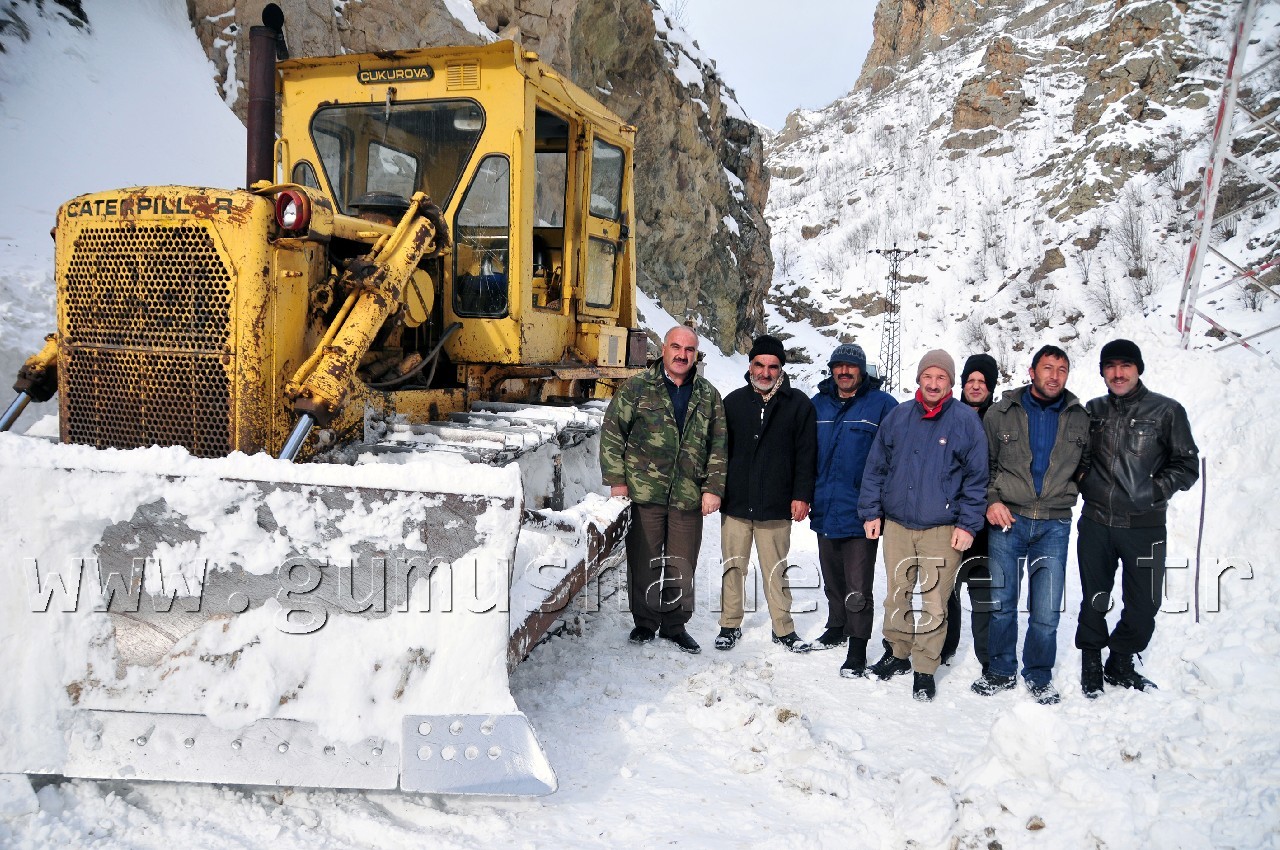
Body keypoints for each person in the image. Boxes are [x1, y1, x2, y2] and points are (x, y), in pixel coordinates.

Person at [859, 350, 988, 701]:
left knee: (934, 602)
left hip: (942, 529)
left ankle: (926, 666)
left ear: (950, 382)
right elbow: (876, 468)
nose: (933, 383)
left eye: (941, 378)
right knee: (897, 594)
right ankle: (897, 652)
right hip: (898, 525)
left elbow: (977, 480)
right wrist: (871, 512)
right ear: (919, 379)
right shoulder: (899, 416)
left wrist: (968, 524)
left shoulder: (965, 421)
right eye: (928, 376)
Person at [1075, 339, 1199, 696]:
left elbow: (1187, 465)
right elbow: (1078, 457)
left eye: (1125, 365)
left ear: (1138, 368)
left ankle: (1122, 657)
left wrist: (1153, 490)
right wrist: (1086, 481)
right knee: (1095, 596)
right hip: (1097, 522)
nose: (1118, 373)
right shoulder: (1093, 410)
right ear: (1102, 371)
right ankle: (1091, 660)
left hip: (1144, 526)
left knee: (1145, 604)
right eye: (1110, 366)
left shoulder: (1166, 411)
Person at [970, 345, 1090, 705]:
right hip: (1010, 520)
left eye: (1062, 369)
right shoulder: (1000, 413)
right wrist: (992, 501)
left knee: (1046, 609)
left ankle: (1039, 674)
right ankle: (1001, 670)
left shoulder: (1079, 417)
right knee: (1002, 602)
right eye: (1047, 367)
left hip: (1054, 526)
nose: (1054, 375)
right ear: (1031, 370)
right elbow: (985, 467)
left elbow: (1086, 466)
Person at [600, 325, 728, 654]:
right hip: (645, 492)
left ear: (696, 355)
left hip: (687, 495)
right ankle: (644, 622)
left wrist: (713, 487)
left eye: (689, 349)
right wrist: (617, 481)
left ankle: (674, 625)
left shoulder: (708, 395)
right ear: (663, 349)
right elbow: (613, 431)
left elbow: (719, 444)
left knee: (681, 563)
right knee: (643, 560)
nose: (682, 354)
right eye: (676, 347)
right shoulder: (638, 387)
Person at [715, 335, 817, 653]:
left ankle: (783, 628)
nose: (765, 372)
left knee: (776, 568)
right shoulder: (732, 403)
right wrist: (715, 490)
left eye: (773, 366)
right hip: (736, 503)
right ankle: (729, 625)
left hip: (775, 504)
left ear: (781, 369)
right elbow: (718, 452)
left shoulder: (799, 405)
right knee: (734, 567)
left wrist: (801, 494)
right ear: (750, 366)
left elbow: (806, 454)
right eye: (760, 364)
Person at [808, 343, 898, 677]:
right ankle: (837, 625)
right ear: (832, 369)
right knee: (832, 578)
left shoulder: (883, 406)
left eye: (851, 366)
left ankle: (857, 647)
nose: (844, 372)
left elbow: (894, 459)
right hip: (825, 508)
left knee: (858, 585)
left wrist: (880, 506)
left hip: (862, 513)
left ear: (862, 370)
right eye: (838, 366)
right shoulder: (817, 405)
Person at [941, 353, 999, 674]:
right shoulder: (949, 414)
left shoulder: (1000, 419)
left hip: (984, 525)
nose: (976, 387)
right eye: (971, 381)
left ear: (991, 387)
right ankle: (945, 647)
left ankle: (989, 658)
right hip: (948, 519)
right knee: (945, 591)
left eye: (983, 382)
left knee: (984, 594)